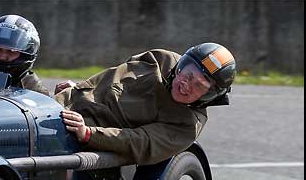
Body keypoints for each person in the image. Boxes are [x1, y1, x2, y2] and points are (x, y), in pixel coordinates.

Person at [54, 43, 236, 165]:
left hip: (89, 130)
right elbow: (114, 75)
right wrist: (80, 87)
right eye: (187, 75)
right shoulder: (161, 58)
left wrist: (88, 133)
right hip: (66, 102)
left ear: (210, 96)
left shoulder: (187, 125)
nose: (185, 85)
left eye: (198, 86)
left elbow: (141, 142)